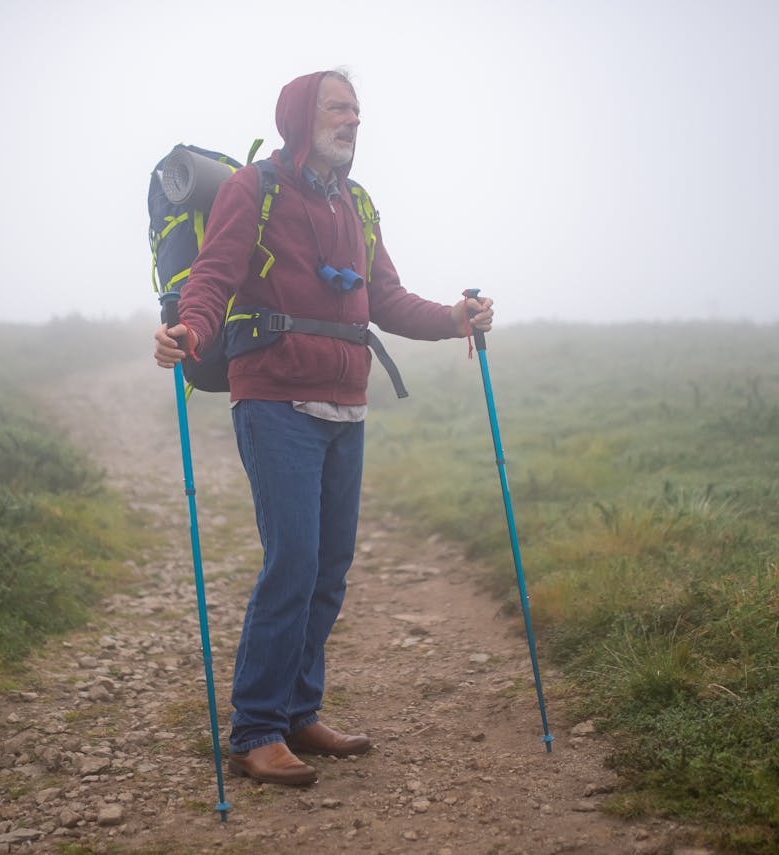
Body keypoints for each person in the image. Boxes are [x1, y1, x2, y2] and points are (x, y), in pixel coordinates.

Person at [153, 69, 494, 787]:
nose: (353, 120)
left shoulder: (358, 204)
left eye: (358, 111)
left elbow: (388, 299)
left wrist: (453, 319)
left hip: (346, 407)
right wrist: (188, 325)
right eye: (339, 108)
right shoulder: (256, 188)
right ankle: (255, 729)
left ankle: (299, 711)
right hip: (275, 403)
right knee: (294, 564)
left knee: (329, 571)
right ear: (301, 116)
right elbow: (213, 276)